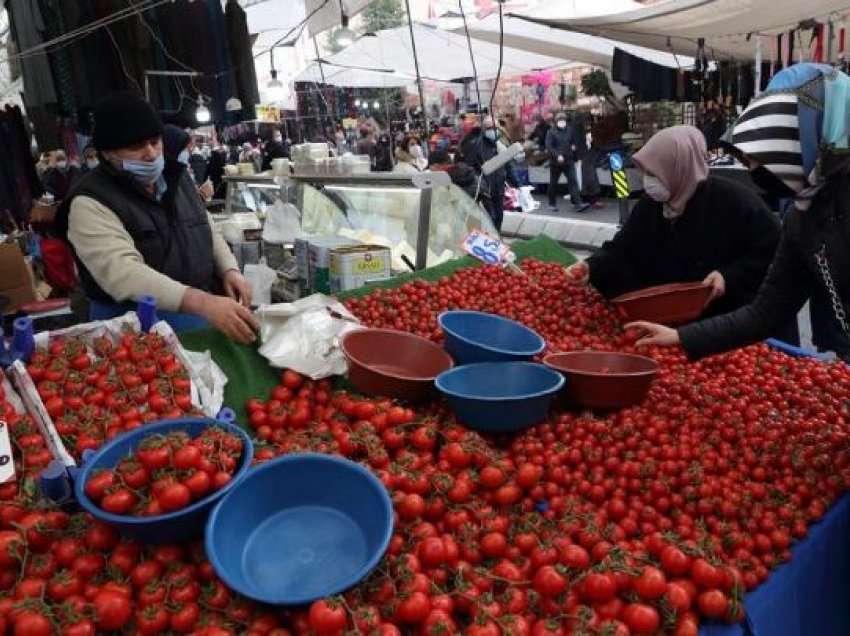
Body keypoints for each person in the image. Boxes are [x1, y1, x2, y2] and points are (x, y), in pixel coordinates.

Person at [626, 65, 850, 360]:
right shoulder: (802, 216)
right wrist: (682, 336)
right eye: (748, 159)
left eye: (758, 156)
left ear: (811, 138)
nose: (752, 168)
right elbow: (766, 312)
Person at [55, 92, 258, 343]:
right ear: (107, 153)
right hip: (133, 328)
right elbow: (123, 274)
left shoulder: (177, 177)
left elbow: (204, 226)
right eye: (135, 147)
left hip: (198, 313)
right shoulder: (89, 202)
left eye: (154, 141)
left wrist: (229, 269)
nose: (150, 154)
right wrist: (203, 302)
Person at [566, 125, 793, 336]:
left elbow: (774, 253)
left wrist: (729, 276)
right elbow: (623, 248)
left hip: (725, 326)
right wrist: (592, 266)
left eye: (655, 173)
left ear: (681, 167)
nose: (648, 181)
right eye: (646, 172)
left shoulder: (735, 202)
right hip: (670, 320)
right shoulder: (651, 205)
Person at [460, 115, 518, 232]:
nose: (493, 131)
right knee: (490, 217)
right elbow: (469, 165)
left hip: (499, 185)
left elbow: (508, 165)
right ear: (484, 129)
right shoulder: (476, 145)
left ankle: (497, 238)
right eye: (489, 128)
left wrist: (517, 184)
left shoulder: (500, 145)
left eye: (495, 127)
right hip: (484, 188)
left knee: (499, 216)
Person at [546, 112, 588, 212]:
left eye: (563, 120)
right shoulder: (551, 132)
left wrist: (574, 148)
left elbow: (574, 141)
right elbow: (549, 146)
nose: (562, 122)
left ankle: (577, 203)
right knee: (553, 183)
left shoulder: (570, 130)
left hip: (569, 160)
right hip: (556, 162)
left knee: (573, 181)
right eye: (560, 121)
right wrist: (557, 155)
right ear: (556, 122)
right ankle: (551, 203)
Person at [163, 125, 214, 203]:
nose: (188, 152)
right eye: (184, 149)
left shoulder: (180, 173)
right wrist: (202, 196)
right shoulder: (163, 180)